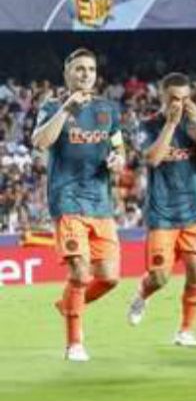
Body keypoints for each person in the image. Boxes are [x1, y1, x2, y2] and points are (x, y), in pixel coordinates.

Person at [32, 48, 126, 362]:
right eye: (79, 69)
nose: (85, 74)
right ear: (67, 73)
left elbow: (118, 147)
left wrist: (118, 160)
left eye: (90, 69)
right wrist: (66, 110)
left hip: (100, 202)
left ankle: (68, 305)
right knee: (80, 271)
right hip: (67, 199)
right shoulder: (52, 106)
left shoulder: (107, 109)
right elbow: (41, 142)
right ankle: (74, 343)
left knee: (110, 278)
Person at [127, 73, 196, 346]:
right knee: (159, 277)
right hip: (162, 215)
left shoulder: (195, 127)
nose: (179, 104)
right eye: (174, 99)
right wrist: (170, 124)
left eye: (184, 98)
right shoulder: (148, 126)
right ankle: (141, 295)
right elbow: (153, 159)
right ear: (162, 97)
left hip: (193, 212)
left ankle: (185, 330)